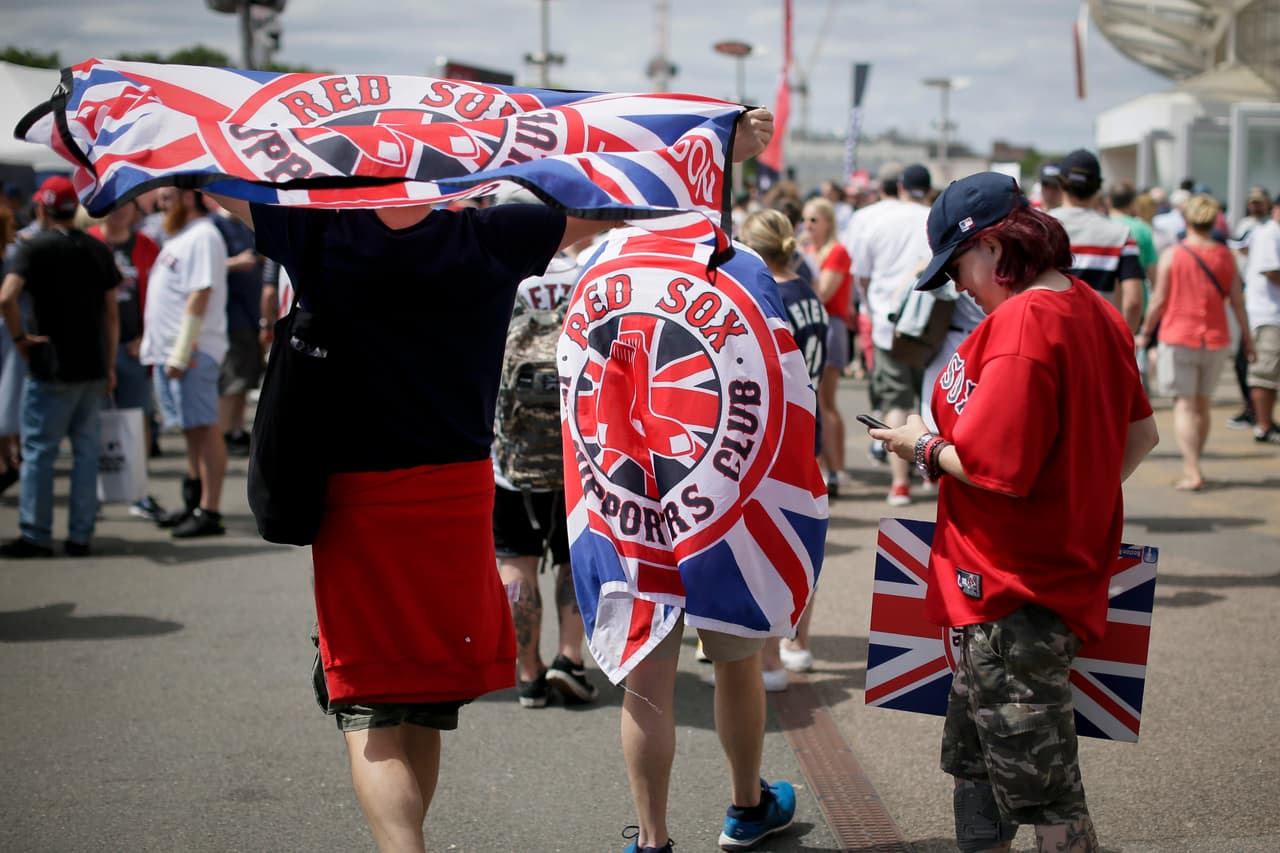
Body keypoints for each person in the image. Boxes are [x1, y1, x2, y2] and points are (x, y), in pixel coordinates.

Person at [212, 108, 773, 853]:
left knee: (369, 700)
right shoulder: (487, 236)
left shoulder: (317, 233)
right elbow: (614, 200)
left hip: (356, 500)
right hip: (457, 492)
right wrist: (715, 139)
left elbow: (201, 174)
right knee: (423, 698)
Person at [868, 172, 1159, 853]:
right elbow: (1139, 436)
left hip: (1011, 588)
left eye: (961, 266)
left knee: (1045, 788)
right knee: (981, 768)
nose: (960, 287)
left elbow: (997, 466)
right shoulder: (1094, 308)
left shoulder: (1025, 320)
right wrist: (1074, 501)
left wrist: (922, 444)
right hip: (1025, 581)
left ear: (998, 245)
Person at [495, 242, 599, 709]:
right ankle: (569, 659)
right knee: (571, 556)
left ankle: (527, 672)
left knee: (515, 560)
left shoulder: (501, 264)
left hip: (511, 457)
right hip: (577, 447)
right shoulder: (589, 269)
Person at [0, 176, 120, 558]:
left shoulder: (33, 248)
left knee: (39, 452)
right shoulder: (98, 249)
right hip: (93, 364)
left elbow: (7, 297)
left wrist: (20, 339)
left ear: (41, 208)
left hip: (50, 363)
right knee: (85, 452)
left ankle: (36, 534)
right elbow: (112, 314)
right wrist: (111, 362)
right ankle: (80, 535)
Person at [739, 208, 828, 680]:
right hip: (805, 423)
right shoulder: (809, 293)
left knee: (767, 540)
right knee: (802, 538)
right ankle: (797, 641)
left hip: (776, 429)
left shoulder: (764, 294)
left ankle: (769, 654)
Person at [1136, 194, 1254, 489]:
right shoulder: (1226, 255)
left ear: (1186, 220)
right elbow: (1238, 302)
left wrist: (1146, 332)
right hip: (1215, 338)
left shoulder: (1173, 255)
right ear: (1214, 221)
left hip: (1178, 336)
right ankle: (1196, 463)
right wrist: (1248, 340)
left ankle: (1193, 469)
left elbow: (1159, 300)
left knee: (1185, 406)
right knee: (1203, 405)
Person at [141, 186, 231, 537]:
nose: (162, 206)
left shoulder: (204, 235)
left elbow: (201, 292)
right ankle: (194, 500)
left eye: (168, 198)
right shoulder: (182, 236)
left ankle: (210, 509)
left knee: (204, 427)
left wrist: (182, 350)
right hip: (172, 351)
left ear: (189, 197)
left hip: (192, 350)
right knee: (191, 429)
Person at [854, 163, 934, 506]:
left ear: (900, 187)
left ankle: (900, 483)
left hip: (889, 323)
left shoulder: (877, 220)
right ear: (928, 189)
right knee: (929, 400)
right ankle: (932, 470)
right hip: (932, 322)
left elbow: (863, 276)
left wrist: (871, 307)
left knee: (896, 402)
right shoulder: (935, 217)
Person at [87, 200, 165, 520]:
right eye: (114, 204)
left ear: (136, 211)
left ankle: (137, 491)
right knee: (92, 423)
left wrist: (146, 338)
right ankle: (93, 494)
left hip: (134, 348)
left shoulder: (147, 246)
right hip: (96, 350)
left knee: (139, 420)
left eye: (126, 205)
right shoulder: (89, 242)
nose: (119, 210)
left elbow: (161, 296)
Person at [1049, 150, 1144, 333]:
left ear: (1061, 184)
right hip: (1096, 340)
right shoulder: (1121, 235)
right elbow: (1133, 302)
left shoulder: (1039, 228)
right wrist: (1122, 344)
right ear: (1098, 187)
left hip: (1048, 335)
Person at [800, 196, 853, 496]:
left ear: (828, 222)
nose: (807, 226)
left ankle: (838, 469)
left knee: (826, 401)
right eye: (805, 220)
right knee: (815, 401)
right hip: (814, 324)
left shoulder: (837, 252)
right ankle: (826, 468)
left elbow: (822, 293)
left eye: (814, 220)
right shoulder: (809, 250)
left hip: (829, 326)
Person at [207, 196, 264, 456]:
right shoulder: (213, 226)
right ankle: (223, 433)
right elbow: (207, 267)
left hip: (250, 313)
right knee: (232, 378)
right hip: (231, 314)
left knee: (245, 378)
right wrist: (236, 264)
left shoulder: (244, 223)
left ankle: (237, 428)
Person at [1242, 191, 1280, 444]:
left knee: (1269, 374)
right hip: (1268, 314)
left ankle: (1267, 423)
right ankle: (1263, 426)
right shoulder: (1270, 233)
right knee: (1264, 375)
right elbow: (1271, 271)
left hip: (1271, 314)